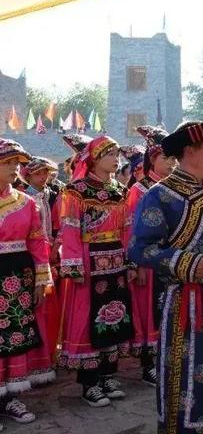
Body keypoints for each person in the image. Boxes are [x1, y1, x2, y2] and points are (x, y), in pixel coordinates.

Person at [128, 120, 203, 433]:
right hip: (186, 304)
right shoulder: (160, 197)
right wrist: (186, 262)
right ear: (188, 151)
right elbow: (140, 249)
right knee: (187, 379)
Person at [59, 135, 134, 407]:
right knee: (90, 317)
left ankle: (109, 375)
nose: (117, 159)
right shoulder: (76, 191)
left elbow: (127, 230)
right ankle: (90, 381)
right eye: (110, 154)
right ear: (95, 158)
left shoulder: (119, 190)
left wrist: (131, 263)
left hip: (116, 262)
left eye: (117, 154)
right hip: (89, 263)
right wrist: (74, 265)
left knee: (116, 315)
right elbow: (69, 231)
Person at [0, 139, 52, 426]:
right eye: (8, 162)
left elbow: (37, 242)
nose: (14, 168)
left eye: (16, 163)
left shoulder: (26, 202)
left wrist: (41, 281)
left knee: (15, 334)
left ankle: (11, 396)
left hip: (18, 278)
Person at [123, 125, 174, 388]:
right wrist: (136, 263)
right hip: (149, 262)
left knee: (170, 309)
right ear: (152, 158)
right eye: (166, 158)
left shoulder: (174, 188)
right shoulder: (139, 190)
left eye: (174, 158)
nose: (171, 163)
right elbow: (131, 229)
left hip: (172, 260)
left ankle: (167, 361)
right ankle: (148, 365)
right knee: (149, 312)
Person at [20, 156, 61, 381]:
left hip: (47, 253)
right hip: (32, 255)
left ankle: (48, 357)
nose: (43, 177)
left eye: (46, 172)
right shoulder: (25, 198)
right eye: (38, 173)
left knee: (49, 308)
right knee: (37, 309)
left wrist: (55, 246)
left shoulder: (49, 195)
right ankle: (34, 362)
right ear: (28, 175)